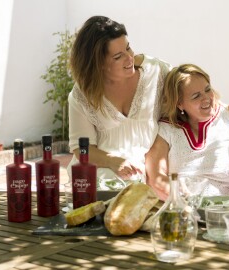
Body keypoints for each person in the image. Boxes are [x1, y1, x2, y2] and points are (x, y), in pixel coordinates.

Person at [144, 63, 229, 201]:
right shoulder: (166, 128)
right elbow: (156, 178)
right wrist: (183, 204)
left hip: (224, 212)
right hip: (181, 209)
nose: (206, 98)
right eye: (196, 96)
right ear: (179, 103)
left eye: (207, 89)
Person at [67, 16, 171, 183]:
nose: (129, 58)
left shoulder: (156, 72)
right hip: (101, 170)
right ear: (98, 63)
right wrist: (113, 162)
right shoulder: (82, 94)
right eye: (118, 56)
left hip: (146, 168)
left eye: (128, 48)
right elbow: (82, 149)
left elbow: (190, 97)